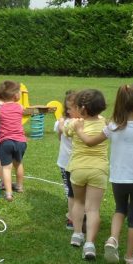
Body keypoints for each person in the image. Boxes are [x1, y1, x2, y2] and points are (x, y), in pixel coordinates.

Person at [75, 84, 133, 264]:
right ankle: (129, 257)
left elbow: (90, 142)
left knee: (120, 209)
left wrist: (79, 130)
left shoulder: (112, 127)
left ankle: (112, 239)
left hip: (118, 179)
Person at [63, 89, 108, 260]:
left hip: (78, 169)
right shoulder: (105, 123)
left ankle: (76, 234)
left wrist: (64, 124)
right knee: (93, 208)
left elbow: (64, 131)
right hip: (99, 170)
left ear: (81, 108)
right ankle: (90, 243)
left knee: (79, 202)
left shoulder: (75, 124)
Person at [0, 81, 27, 202]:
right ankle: (20, 187)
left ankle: (9, 193)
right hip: (21, 141)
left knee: (6, 168)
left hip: (6, 142)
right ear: (15, 95)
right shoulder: (20, 107)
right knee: (19, 163)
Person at [55, 91, 77, 230]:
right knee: (73, 191)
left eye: (71, 108)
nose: (69, 111)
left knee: (72, 191)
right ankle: (74, 215)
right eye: (67, 108)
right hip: (67, 162)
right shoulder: (86, 123)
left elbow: (60, 135)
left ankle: (73, 216)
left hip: (74, 163)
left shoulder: (64, 123)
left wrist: (62, 124)